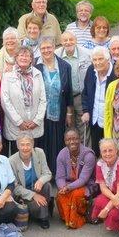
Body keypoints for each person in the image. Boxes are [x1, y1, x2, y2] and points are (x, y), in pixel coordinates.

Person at [36, 37, 73, 174]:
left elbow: (69, 90)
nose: (46, 50)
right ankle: (44, 173)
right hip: (42, 115)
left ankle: (58, 173)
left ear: (54, 48)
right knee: (43, 143)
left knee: (58, 143)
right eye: (43, 48)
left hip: (60, 112)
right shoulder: (36, 67)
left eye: (48, 47)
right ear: (40, 50)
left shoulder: (65, 66)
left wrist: (69, 113)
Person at [1, 46, 46, 156]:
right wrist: (19, 122)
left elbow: (43, 99)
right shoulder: (7, 76)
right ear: (16, 57)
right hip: (16, 126)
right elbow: (5, 101)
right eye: (21, 55)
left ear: (31, 59)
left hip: (34, 125)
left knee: (34, 156)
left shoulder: (38, 74)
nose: (24, 58)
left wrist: (37, 120)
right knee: (17, 158)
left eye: (27, 55)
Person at [8, 134, 53, 229]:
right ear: (17, 146)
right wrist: (33, 195)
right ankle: (34, 210)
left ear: (32, 144)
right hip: (22, 194)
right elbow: (15, 187)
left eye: (28, 144)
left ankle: (43, 216)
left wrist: (41, 180)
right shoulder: (11, 160)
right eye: (22, 144)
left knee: (47, 185)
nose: (25, 148)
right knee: (33, 207)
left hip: (37, 188)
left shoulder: (39, 153)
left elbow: (47, 173)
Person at [55, 129, 97, 229]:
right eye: (68, 139)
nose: (72, 142)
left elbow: (83, 179)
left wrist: (68, 187)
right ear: (65, 141)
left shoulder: (88, 155)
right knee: (61, 194)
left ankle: (78, 218)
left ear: (80, 139)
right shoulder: (62, 154)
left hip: (87, 185)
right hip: (69, 185)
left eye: (75, 139)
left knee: (76, 195)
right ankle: (68, 218)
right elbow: (59, 177)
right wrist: (62, 187)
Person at [56, 31, 92, 138]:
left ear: (76, 41)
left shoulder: (87, 53)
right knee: (68, 127)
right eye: (65, 40)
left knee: (83, 126)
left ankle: (86, 153)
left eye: (71, 40)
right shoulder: (56, 55)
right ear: (61, 42)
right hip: (64, 99)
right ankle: (69, 153)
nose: (68, 42)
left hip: (80, 96)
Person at [81, 47, 117, 153]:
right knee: (97, 151)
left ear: (108, 59)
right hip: (95, 119)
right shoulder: (91, 70)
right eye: (95, 60)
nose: (97, 63)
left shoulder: (116, 74)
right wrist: (86, 111)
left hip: (111, 121)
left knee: (111, 151)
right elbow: (85, 93)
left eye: (100, 59)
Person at [91, 138, 119, 230]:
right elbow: (103, 188)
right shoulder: (100, 164)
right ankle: (110, 217)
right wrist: (113, 199)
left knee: (113, 213)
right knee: (98, 201)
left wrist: (106, 209)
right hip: (113, 195)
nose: (107, 154)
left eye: (110, 150)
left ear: (116, 151)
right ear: (101, 153)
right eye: (104, 151)